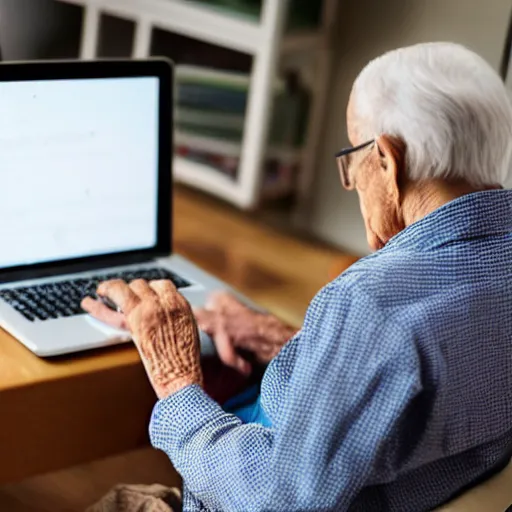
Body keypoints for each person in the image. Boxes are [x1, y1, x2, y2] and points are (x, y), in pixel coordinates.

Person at [82, 42, 512, 511]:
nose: (351, 182)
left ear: (388, 161)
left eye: (352, 157)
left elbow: (278, 502)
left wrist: (177, 381)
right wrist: (295, 343)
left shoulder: (366, 305)